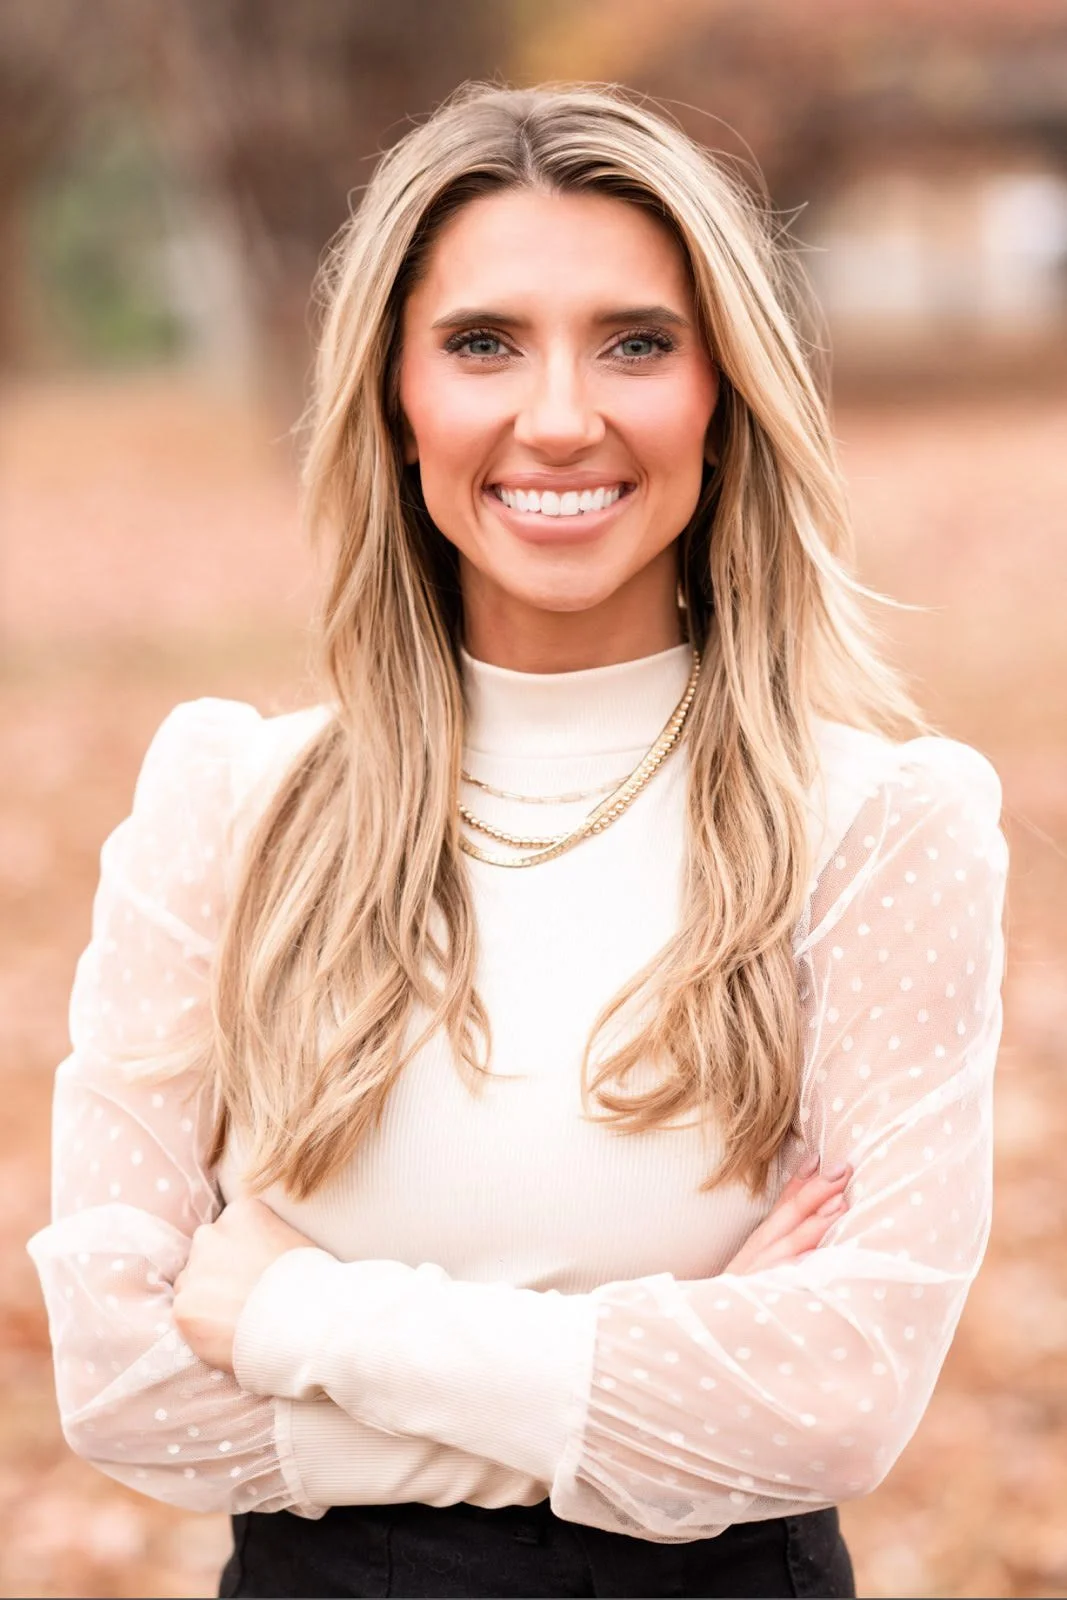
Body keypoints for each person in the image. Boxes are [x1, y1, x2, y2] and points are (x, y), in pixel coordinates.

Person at [28, 83, 1007, 1600]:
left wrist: (304, 1324)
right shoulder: (230, 805)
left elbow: (838, 1399)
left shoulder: (876, 824)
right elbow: (117, 1376)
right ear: (393, 396)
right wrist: (644, 1404)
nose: (559, 416)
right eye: (482, 343)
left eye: (636, 342)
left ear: (722, 392)